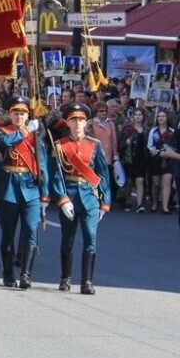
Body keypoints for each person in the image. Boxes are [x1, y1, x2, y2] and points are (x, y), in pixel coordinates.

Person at [48, 103, 112, 294]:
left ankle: (86, 281)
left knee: (90, 239)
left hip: (90, 197)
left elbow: (102, 175)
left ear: (87, 122)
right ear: (67, 122)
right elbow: (55, 175)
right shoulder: (60, 146)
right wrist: (62, 199)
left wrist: (104, 201)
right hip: (69, 195)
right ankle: (65, 278)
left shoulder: (94, 144)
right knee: (67, 240)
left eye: (81, 119)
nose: (78, 123)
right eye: (74, 119)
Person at [0, 97, 49, 290]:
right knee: (8, 234)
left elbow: (42, 165)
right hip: (9, 187)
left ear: (27, 115)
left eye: (23, 113)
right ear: (10, 114)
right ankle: (8, 274)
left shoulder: (36, 136)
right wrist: (26, 130)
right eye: (15, 112)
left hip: (31, 188)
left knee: (31, 231)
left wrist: (45, 194)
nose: (19, 116)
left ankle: (26, 274)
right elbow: (6, 143)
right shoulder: (2, 132)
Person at [119, 108, 149, 211]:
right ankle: (127, 201)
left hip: (142, 159)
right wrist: (126, 142)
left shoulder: (146, 130)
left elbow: (149, 145)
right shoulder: (127, 129)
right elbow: (121, 144)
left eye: (140, 114)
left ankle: (140, 205)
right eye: (136, 114)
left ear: (143, 117)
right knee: (129, 181)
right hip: (129, 158)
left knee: (140, 180)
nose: (138, 116)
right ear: (132, 117)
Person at [147, 110, 174, 214]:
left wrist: (169, 150)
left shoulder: (172, 131)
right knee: (156, 183)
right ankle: (154, 202)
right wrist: (155, 151)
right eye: (159, 116)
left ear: (167, 118)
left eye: (163, 116)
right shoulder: (153, 131)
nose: (161, 118)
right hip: (156, 158)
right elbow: (149, 145)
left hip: (168, 158)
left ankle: (165, 206)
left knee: (166, 182)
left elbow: (175, 144)